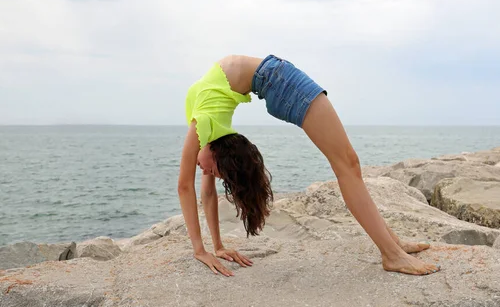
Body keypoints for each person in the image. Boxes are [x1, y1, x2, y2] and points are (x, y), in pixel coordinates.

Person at [177, 54, 441, 277]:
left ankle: (393, 246)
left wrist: (208, 248)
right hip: (276, 80)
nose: (207, 173)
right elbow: (204, 191)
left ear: (221, 156)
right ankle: (391, 253)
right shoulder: (210, 136)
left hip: (276, 80)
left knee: (348, 165)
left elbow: (186, 187)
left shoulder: (203, 125)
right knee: (348, 164)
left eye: (213, 171)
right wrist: (210, 248)